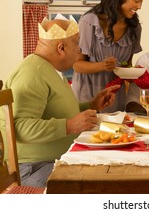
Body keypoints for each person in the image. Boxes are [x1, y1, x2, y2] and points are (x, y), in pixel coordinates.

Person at [0, 15, 119, 188]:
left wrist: (91, 105)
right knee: (97, 186)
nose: (79, 50)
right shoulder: (32, 73)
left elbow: (55, 111)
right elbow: (20, 127)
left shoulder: (49, 69)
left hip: (52, 160)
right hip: (32, 167)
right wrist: (69, 125)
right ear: (61, 47)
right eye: (77, 43)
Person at [72, 0, 148, 113]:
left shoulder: (134, 28)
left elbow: (127, 64)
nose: (139, 7)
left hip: (114, 94)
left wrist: (134, 74)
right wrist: (102, 65)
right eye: (137, 1)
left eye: (141, 2)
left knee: (116, 133)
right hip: (87, 93)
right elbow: (77, 65)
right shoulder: (89, 22)